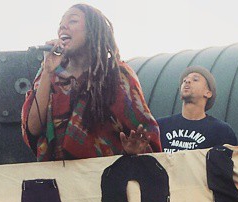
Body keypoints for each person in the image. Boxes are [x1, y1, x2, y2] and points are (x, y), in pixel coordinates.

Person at [22, 4, 161, 161]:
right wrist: (47, 71)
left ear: (92, 31)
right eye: (61, 23)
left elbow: (146, 131)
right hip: (58, 174)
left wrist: (134, 150)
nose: (63, 26)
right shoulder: (49, 73)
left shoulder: (116, 75)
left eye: (73, 21)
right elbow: (33, 129)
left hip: (105, 172)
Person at [158, 65, 237, 153]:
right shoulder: (160, 127)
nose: (187, 81)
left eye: (195, 79)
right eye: (184, 80)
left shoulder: (221, 131)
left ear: (208, 93)